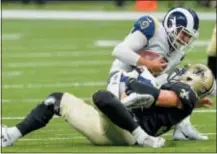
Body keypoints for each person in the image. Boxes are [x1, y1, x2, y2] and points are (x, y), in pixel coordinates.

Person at [1, 64, 215, 148]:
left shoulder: (183, 95)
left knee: (102, 97)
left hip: (129, 129)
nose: (180, 72)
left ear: (191, 81)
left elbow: (156, 95)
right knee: (55, 100)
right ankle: (10, 135)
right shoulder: (186, 100)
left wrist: (133, 81)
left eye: (186, 73)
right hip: (114, 127)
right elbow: (172, 103)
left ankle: (143, 137)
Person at [107, 6, 206, 140]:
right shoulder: (152, 27)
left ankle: (182, 127)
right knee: (153, 78)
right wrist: (147, 63)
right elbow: (119, 51)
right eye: (184, 33)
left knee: (184, 82)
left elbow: (166, 80)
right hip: (122, 80)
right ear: (171, 25)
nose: (186, 40)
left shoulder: (179, 52)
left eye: (189, 36)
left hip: (146, 85)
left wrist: (190, 98)